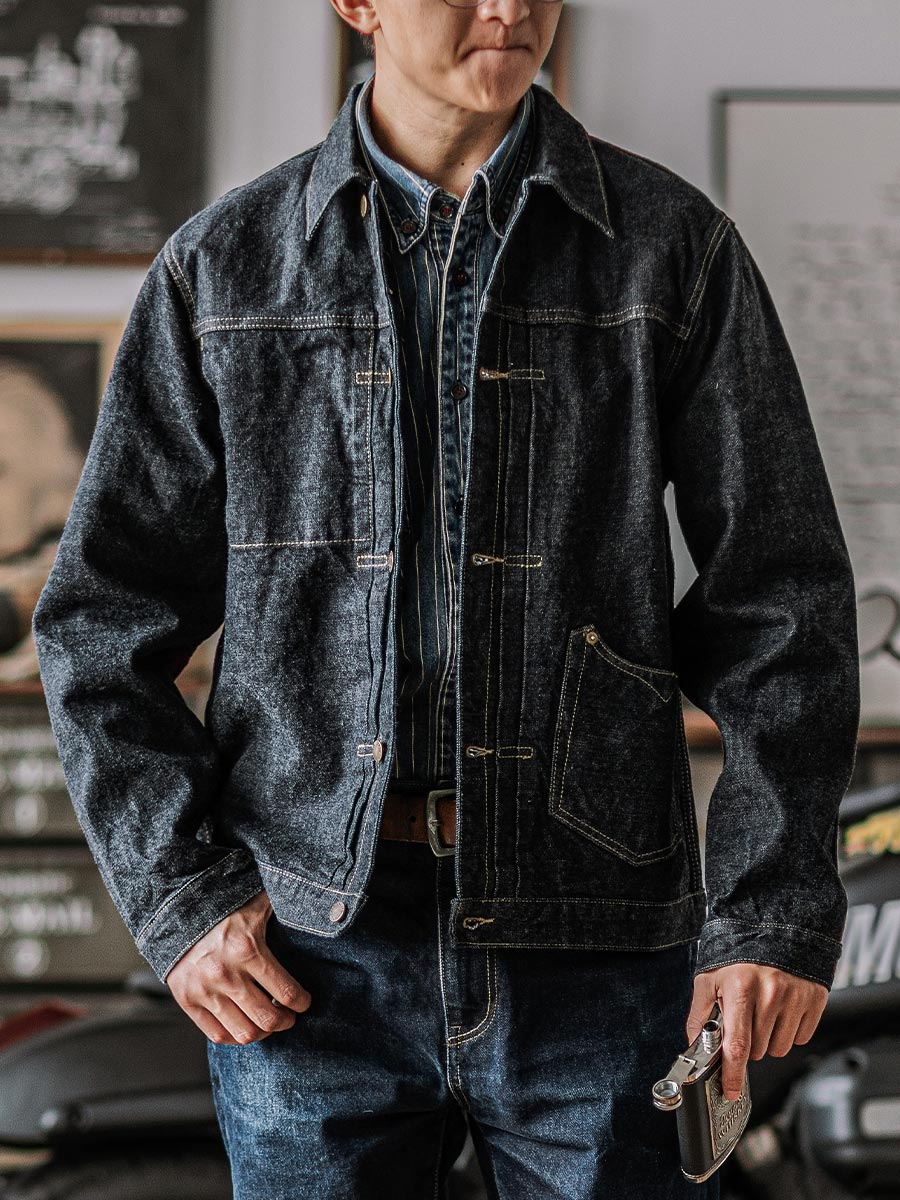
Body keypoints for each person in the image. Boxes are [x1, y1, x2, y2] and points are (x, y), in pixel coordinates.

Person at [31, 0, 861, 1196]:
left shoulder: (671, 249)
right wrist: (182, 899)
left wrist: (769, 909)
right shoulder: (224, 266)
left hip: (598, 932)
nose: (510, 9)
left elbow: (780, 603)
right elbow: (100, 621)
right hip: (308, 956)